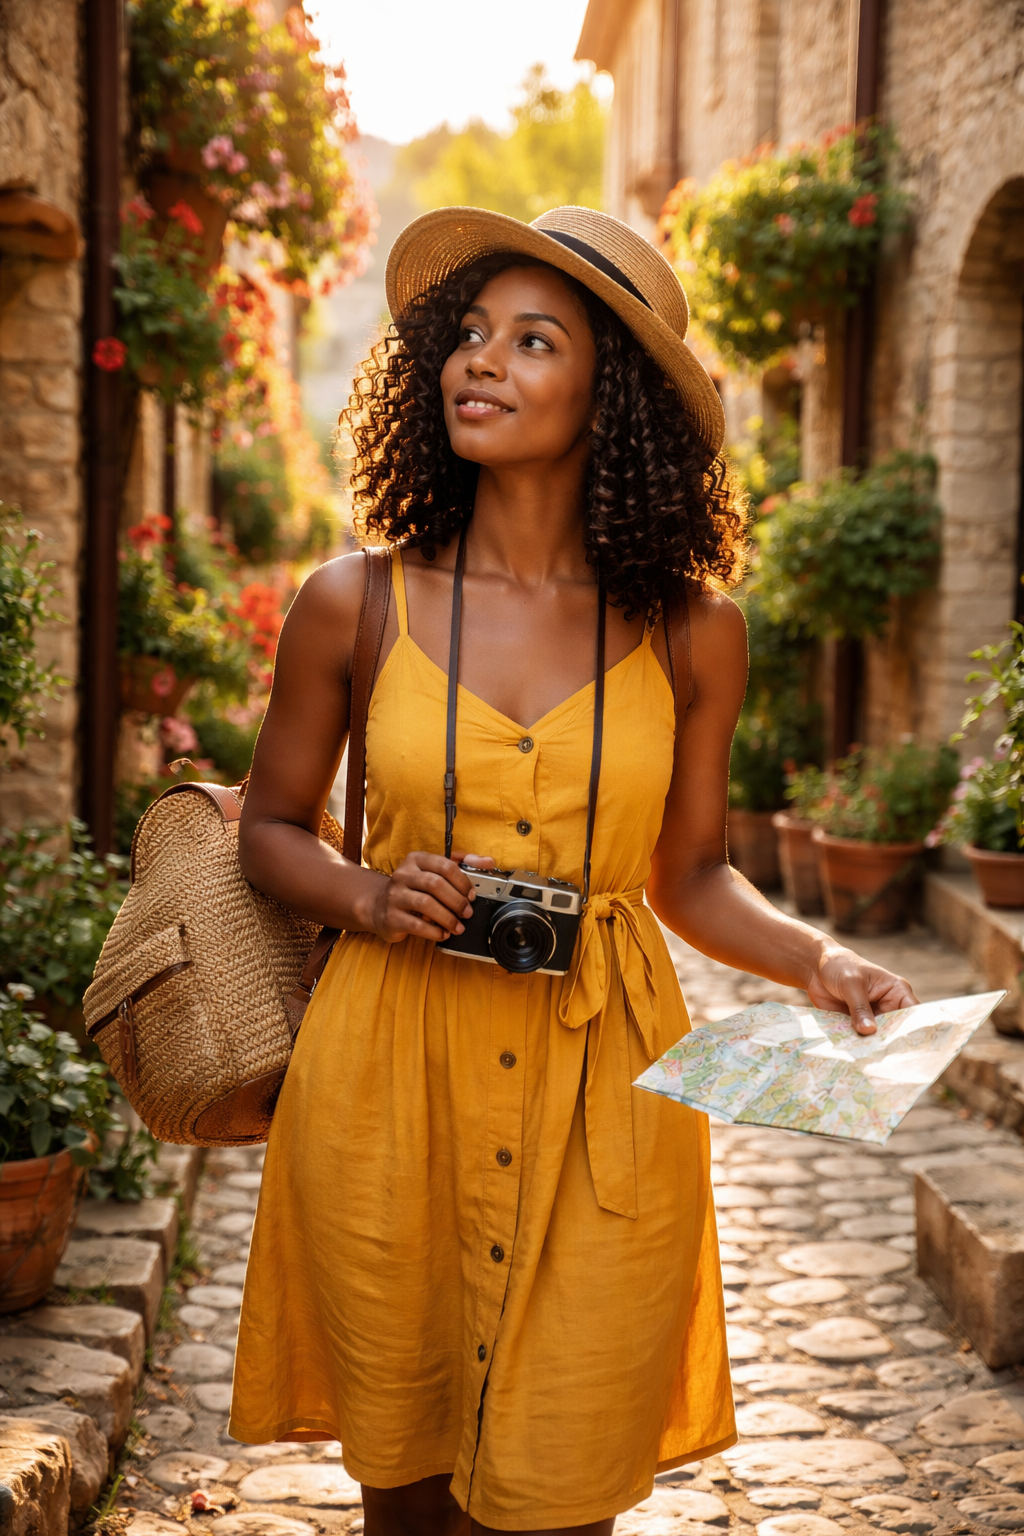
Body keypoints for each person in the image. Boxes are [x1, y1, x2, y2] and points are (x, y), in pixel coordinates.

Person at [229, 206, 917, 1536]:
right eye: (468, 335)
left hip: (610, 1093)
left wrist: (816, 958)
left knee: (565, 1490)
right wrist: (369, 896)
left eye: (532, 341)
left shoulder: (695, 634)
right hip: (389, 1078)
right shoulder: (352, 601)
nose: (482, 362)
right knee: (407, 1499)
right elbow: (269, 829)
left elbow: (694, 875)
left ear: (616, 400)